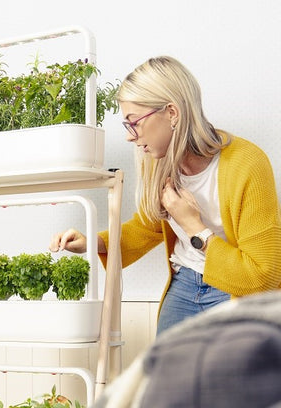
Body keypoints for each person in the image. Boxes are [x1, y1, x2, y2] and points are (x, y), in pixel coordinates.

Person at [49, 56, 281, 334]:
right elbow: (145, 228)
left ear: (172, 113)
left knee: (228, 376)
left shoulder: (247, 163)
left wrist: (194, 227)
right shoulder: (159, 163)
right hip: (184, 285)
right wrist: (92, 242)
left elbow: (264, 276)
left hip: (234, 291)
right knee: (162, 375)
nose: (129, 136)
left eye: (134, 122)